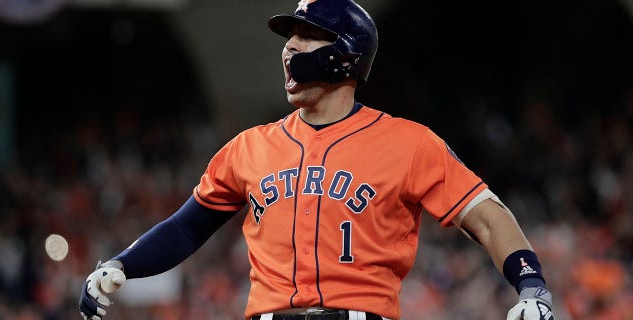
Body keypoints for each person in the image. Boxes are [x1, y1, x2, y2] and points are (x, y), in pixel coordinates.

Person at [78, 0, 555, 319]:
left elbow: (488, 218)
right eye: (290, 37)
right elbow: (186, 227)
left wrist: (532, 285)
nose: (290, 47)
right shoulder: (249, 146)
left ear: (346, 55)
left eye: (307, 36)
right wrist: (122, 263)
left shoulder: (409, 143)